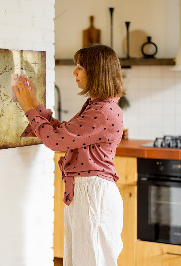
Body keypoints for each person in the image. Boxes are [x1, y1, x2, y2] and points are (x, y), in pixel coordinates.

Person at [13, 44, 125, 266]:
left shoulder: (102, 111)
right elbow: (64, 133)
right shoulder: (98, 106)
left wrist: (28, 107)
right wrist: (35, 103)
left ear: (96, 72)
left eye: (80, 67)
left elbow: (56, 141)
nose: (74, 72)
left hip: (93, 195)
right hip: (88, 193)